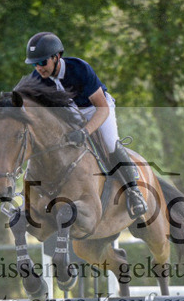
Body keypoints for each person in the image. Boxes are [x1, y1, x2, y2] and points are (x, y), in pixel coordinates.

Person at [23, 31, 147, 219]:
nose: (39, 68)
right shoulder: (38, 78)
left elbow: (102, 109)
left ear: (56, 57)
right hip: (68, 116)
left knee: (110, 143)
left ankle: (133, 191)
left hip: (95, 109)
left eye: (42, 62)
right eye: (34, 64)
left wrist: (85, 131)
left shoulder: (79, 69)